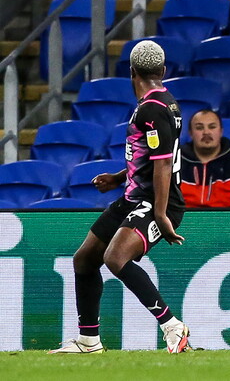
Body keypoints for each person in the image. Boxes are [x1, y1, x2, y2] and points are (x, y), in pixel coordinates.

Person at [50, 41, 190, 354]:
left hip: (155, 201)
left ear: (131, 72)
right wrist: (118, 177)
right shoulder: (165, 103)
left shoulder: (152, 109)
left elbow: (164, 165)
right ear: (163, 71)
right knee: (85, 259)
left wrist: (162, 213)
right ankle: (89, 341)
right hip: (133, 196)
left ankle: (173, 326)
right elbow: (150, 158)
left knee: (115, 258)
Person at [181, 109, 230, 208]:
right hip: (183, 221)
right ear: (190, 133)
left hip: (228, 221)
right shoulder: (174, 163)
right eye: (199, 128)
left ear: (221, 131)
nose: (206, 132)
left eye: (212, 127)